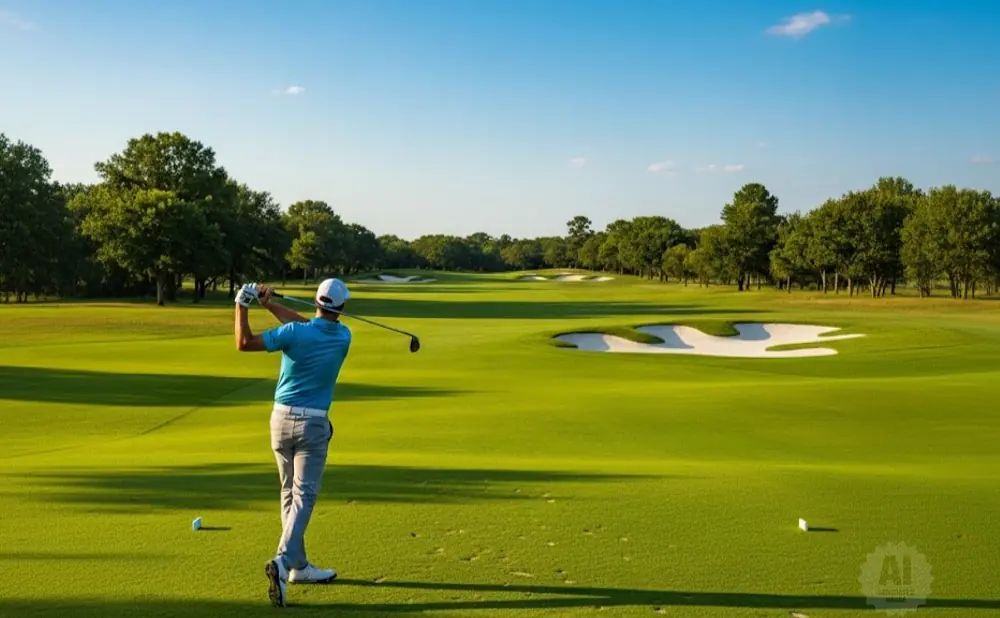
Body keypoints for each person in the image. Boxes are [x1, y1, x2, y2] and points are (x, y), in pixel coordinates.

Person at [234, 278, 353, 608]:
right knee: (304, 495)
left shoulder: (294, 333)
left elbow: (244, 342)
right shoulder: (344, 336)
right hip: (314, 423)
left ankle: (299, 567)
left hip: (280, 420)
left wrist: (243, 305)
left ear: (315, 301)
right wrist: (269, 304)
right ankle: (284, 560)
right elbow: (311, 326)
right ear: (342, 307)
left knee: (289, 492)